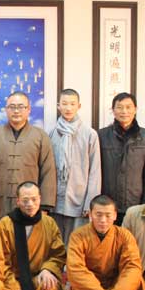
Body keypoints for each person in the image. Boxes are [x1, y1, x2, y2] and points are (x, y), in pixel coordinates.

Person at [61, 195, 145, 290]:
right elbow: (76, 270)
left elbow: (132, 266)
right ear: (90, 215)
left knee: (137, 281)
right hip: (91, 289)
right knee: (78, 285)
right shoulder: (78, 236)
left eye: (108, 215)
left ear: (115, 215)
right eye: (98, 215)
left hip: (115, 285)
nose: (103, 220)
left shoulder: (125, 235)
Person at [0, 182, 66, 290]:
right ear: (18, 201)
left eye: (34, 199)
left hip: (38, 277)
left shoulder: (49, 223)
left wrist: (48, 269)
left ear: (40, 199)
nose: (30, 204)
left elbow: (58, 254)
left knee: (50, 283)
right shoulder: (5, 224)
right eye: (25, 200)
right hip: (14, 280)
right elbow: (0, 262)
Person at [0, 91, 57, 225]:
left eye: (21, 107)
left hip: (30, 205)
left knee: (28, 236)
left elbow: (48, 172)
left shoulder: (40, 136)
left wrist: (44, 206)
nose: (16, 111)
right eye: (12, 107)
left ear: (29, 110)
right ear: (6, 109)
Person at [49, 88, 101, 244]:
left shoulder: (89, 134)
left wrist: (90, 202)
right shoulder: (52, 133)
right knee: (55, 243)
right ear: (58, 106)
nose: (68, 108)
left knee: (76, 244)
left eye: (72, 104)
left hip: (79, 198)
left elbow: (95, 171)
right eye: (64, 104)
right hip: (56, 198)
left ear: (79, 106)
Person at [98, 92, 145, 224]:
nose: (124, 111)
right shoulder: (101, 135)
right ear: (113, 110)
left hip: (136, 203)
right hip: (108, 204)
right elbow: (96, 171)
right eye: (119, 107)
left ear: (135, 109)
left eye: (128, 107)